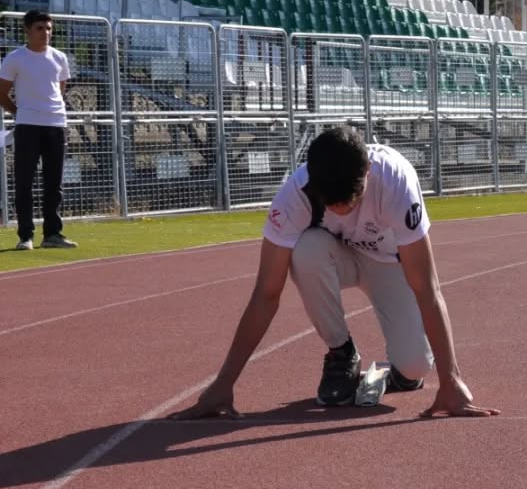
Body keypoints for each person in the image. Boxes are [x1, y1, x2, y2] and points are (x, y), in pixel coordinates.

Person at [172, 125, 498, 419]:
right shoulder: (293, 197)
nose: (341, 210)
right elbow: (266, 294)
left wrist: (451, 381)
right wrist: (223, 383)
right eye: (331, 203)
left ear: (368, 172)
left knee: (415, 365)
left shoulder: (397, 182)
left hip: (387, 264)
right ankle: (342, 353)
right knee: (305, 249)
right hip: (333, 257)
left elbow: (427, 288)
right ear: (312, 181)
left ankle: (404, 373)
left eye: (351, 201)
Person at [0, 10, 78, 250]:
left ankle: (53, 234)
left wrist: (51, 111)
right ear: (27, 29)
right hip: (28, 126)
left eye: (48, 28)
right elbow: (2, 92)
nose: (45, 33)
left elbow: (60, 88)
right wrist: (19, 112)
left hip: (56, 125)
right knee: (25, 181)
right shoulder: (15, 58)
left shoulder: (59, 57)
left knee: (54, 183)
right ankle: (26, 236)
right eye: (40, 28)